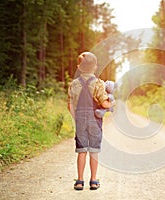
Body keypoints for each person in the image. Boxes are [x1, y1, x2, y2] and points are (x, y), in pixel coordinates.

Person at [68, 51, 112, 191]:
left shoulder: (74, 84)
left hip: (80, 121)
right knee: (93, 151)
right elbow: (104, 104)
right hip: (94, 121)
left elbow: (70, 104)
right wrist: (111, 103)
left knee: (82, 151)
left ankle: (79, 181)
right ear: (95, 67)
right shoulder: (98, 84)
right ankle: (93, 181)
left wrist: (77, 118)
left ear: (79, 67)